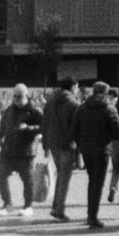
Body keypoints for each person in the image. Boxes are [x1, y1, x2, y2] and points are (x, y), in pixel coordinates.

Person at [72, 81, 119, 229]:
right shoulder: (110, 109)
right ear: (106, 93)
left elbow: (74, 130)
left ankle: (90, 213)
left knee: (91, 180)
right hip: (102, 151)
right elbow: (117, 133)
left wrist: (82, 144)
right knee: (98, 183)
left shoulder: (82, 108)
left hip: (87, 150)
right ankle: (93, 216)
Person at [0, 83, 43, 217]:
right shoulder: (10, 110)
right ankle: (7, 204)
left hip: (26, 151)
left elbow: (44, 126)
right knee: (0, 174)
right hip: (8, 150)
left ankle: (28, 206)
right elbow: (2, 129)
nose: (16, 99)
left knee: (27, 179)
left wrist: (28, 128)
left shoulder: (34, 110)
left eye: (19, 96)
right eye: (14, 96)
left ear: (26, 95)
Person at [42, 76, 79, 221]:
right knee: (64, 177)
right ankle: (59, 209)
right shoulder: (73, 102)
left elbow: (44, 124)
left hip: (53, 143)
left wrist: (45, 144)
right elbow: (76, 126)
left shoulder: (50, 101)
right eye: (76, 86)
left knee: (61, 174)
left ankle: (55, 205)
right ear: (71, 87)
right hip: (67, 144)